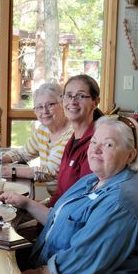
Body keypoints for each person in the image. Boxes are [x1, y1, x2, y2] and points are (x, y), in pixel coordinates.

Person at [0, 116, 138, 274]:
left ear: (130, 155)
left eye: (108, 145)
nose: (96, 150)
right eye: (94, 142)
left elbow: (83, 260)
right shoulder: (93, 180)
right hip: (55, 268)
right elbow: (61, 221)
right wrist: (26, 203)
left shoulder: (121, 202)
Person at [0, 83, 72, 183]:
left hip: (69, 196)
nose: (45, 111)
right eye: (39, 107)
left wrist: (8, 171)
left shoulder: (71, 134)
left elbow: (49, 173)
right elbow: (23, 153)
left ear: (63, 104)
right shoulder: (43, 130)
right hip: (53, 194)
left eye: (50, 105)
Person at [49, 74, 103, 207]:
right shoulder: (72, 140)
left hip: (71, 222)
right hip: (56, 214)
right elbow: (61, 191)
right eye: (68, 95)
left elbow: (83, 201)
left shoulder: (96, 145)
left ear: (95, 102)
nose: (73, 101)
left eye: (81, 96)